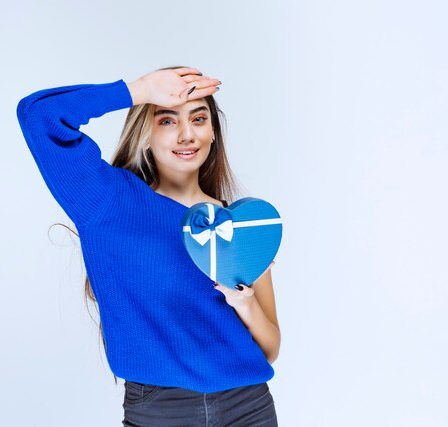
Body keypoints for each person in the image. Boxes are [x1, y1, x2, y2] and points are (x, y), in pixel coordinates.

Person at [16, 66, 281, 426]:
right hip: (160, 409)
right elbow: (39, 115)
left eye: (199, 119)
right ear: (144, 135)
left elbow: (269, 349)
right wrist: (137, 91)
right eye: (168, 121)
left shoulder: (244, 225)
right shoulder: (108, 200)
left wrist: (244, 303)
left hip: (248, 407)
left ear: (214, 132)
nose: (187, 134)